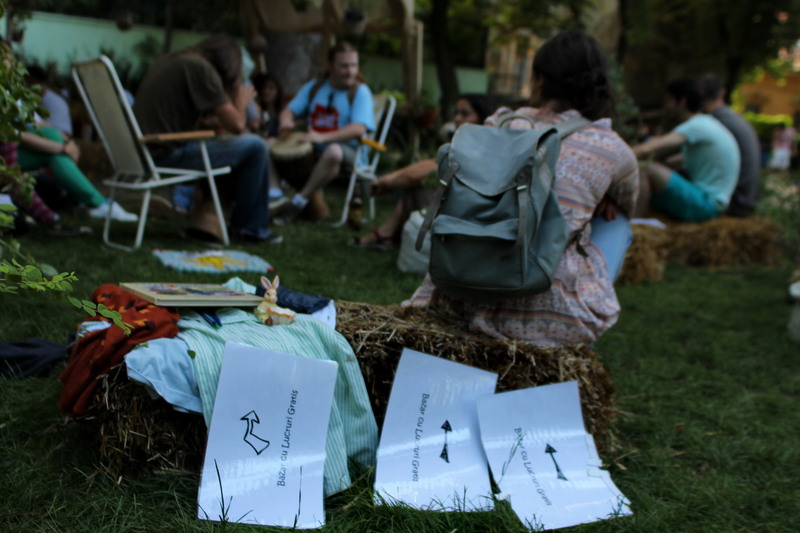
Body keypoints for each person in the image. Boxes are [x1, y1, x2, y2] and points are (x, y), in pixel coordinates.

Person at [405, 29, 639, 346]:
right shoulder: (613, 148)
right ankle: (583, 294)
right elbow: (629, 203)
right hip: (550, 314)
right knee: (619, 221)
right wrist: (602, 198)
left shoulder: (498, 124)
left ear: (540, 80)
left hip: (456, 288)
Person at [133, 34, 280, 243]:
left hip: (142, 152)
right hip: (165, 155)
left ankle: (211, 218)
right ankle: (250, 228)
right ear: (228, 63)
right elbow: (238, 125)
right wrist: (241, 101)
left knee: (233, 147)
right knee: (255, 146)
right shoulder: (200, 68)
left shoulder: (174, 61)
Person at [352, 93, 493, 248]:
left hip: (469, 215)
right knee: (418, 183)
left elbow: (425, 172)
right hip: (459, 206)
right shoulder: (465, 143)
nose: (457, 118)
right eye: (456, 113)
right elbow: (433, 163)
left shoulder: (479, 147)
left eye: (465, 114)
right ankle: (386, 234)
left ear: (483, 119)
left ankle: (386, 234)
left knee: (418, 185)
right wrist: (388, 179)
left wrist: (386, 183)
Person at [274, 41, 376, 224]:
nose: (350, 71)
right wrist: (285, 122)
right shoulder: (315, 87)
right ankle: (274, 196)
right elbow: (288, 111)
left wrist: (322, 137)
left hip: (350, 153)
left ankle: (298, 202)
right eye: (344, 66)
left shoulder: (360, 92)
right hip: (313, 151)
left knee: (333, 151)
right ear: (330, 66)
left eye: (354, 65)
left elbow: (358, 128)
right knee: (267, 144)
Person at [633, 76, 739, 222]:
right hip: (711, 204)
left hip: (706, 205)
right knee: (656, 168)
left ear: (683, 102)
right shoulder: (706, 123)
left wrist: (615, 156)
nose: (667, 106)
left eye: (670, 100)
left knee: (644, 168)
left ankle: (634, 225)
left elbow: (647, 149)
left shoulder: (696, 125)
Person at [701, 73, 761, 217]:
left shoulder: (715, 123)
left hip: (734, 203)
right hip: (747, 200)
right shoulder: (733, 118)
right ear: (723, 92)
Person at [251, 72, 288, 206]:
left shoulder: (283, 112)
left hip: (278, 146)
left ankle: (275, 188)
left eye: (271, 88)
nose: (266, 91)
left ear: (278, 91)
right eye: (264, 88)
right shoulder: (255, 110)